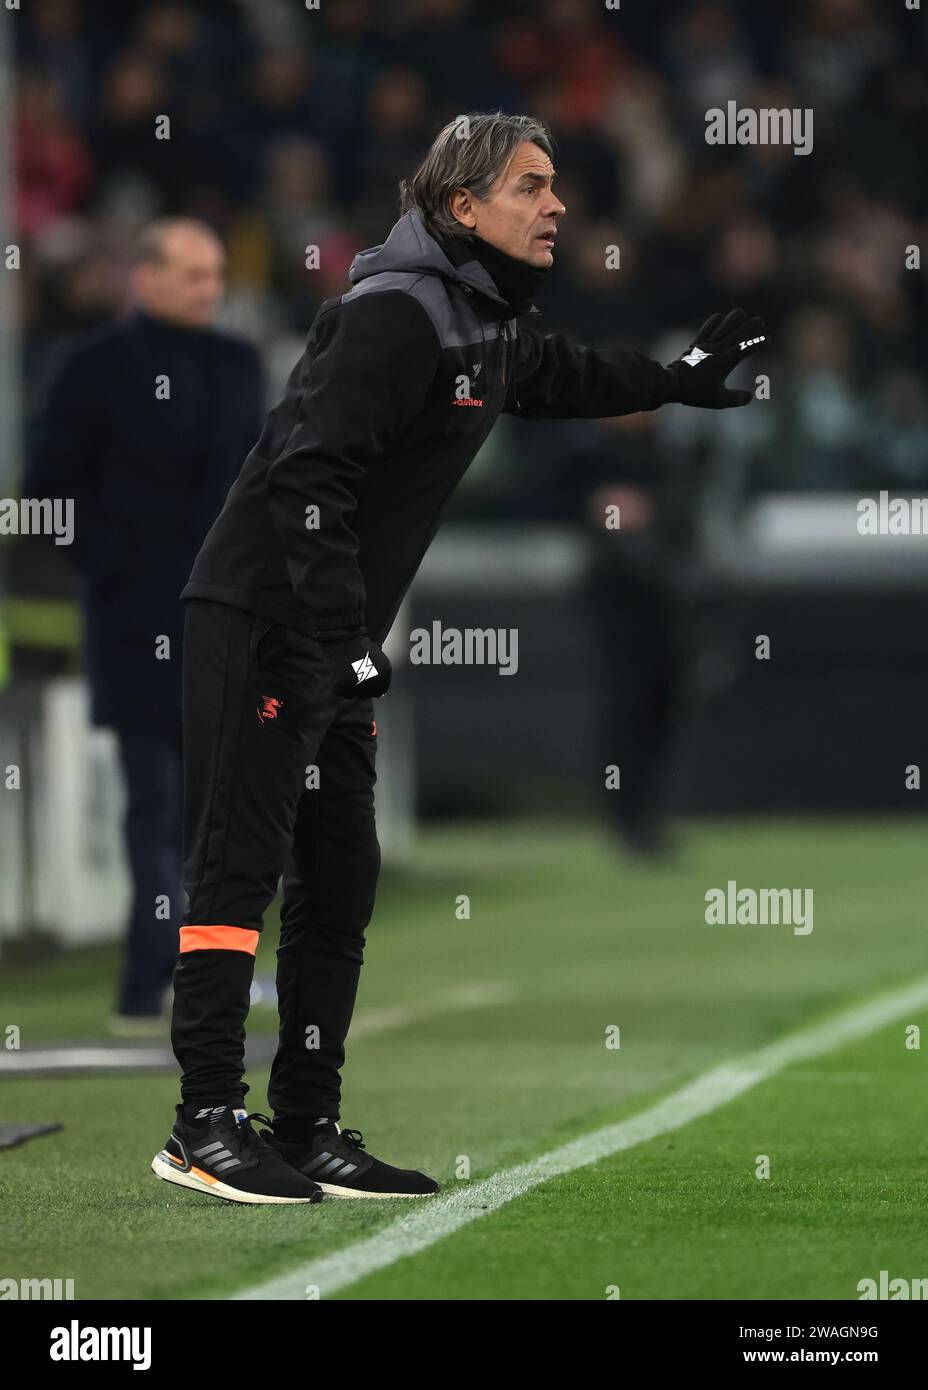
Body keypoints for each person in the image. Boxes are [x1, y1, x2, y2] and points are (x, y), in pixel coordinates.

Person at [151, 112, 766, 1204]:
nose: (558, 205)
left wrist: (671, 379)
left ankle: (305, 1120)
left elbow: (564, 372)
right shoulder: (395, 316)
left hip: (327, 633)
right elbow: (303, 483)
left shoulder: (473, 315)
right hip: (263, 616)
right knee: (238, 864)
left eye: (556, 185)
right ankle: (202, 1122)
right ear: (460, 207)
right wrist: (343, 640)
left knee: (340, 879)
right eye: (532, 186)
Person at [26, 218, 264, 1030]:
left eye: (217, 275)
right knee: (154, 806)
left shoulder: (239, 364)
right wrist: (110, 566)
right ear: (147, 278)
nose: (211, 290)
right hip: (133, 622)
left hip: (228, 622)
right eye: (195, 275)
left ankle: (212, 972)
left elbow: (261, 482)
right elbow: (48, 493)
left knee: (224, 810)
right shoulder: (90, 369)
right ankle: (147, 979)